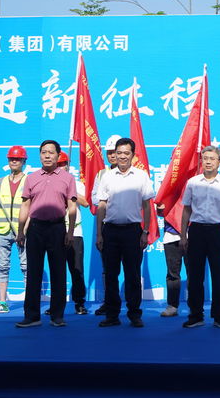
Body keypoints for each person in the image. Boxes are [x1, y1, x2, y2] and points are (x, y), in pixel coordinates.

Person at [15, 140, 78, 328]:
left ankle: (57, 316)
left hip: (57, 229)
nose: (47, 155)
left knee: (58, 272)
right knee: (33, 273)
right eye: (44, 152)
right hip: (35, 229)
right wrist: (21, 231)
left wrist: (70, 231)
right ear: (40, 155)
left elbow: (72, 206)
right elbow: (25, 205)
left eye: (51, 152)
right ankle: (32, 316)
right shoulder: (31, 178)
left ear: (58, 155)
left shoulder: (68, 178)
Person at [96, 137, 155, 328]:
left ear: (133, 155)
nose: (122, 156)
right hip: (110, 231)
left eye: (126, 153)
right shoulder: (107, 176)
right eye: (119, 153)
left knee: (132, 275)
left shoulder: (141, 176)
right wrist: (99, 234)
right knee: (110, 275)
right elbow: (101, 206)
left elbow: (147, 206)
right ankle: (112, 315)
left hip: (132, 232)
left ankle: (134, 314)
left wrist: (145, 231)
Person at [181, 146, 220, 329]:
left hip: (218, 232)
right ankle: (196, 315)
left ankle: (219, 316)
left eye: (212, 159)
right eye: (205, 158)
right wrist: (183, 236)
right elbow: (186, 210)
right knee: (195, 276)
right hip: (196, 231)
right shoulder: (192, 183)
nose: (207, 162)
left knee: (219, 276)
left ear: (219, 162)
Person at [0, 145, 28, 314]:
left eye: (17, 159)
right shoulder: (0, 182)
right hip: (3, 229)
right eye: (11, 159)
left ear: (24, 161)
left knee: (26, 266)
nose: (14, 161)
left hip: (22, 230)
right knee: (3, 266)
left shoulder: (29, 181)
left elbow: (31, 208)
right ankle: (2, 302)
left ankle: (30, 302)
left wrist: (23, 231)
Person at [55, 151, 90, 315]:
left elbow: (86, 203)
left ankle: (79, 302)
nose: (61, 167)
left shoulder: (76, 183)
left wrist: (71, 189)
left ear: (68, 165)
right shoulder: (50, 182)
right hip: (56, 231)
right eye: (58, 164)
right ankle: (56, 304)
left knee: (77, 269)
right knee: (57, 270)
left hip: (75, 232)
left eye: (63, 164)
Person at [91, 134, 121, 317]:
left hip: (127, 226)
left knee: (131, 270)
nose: (112, 156)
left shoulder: (134, 173)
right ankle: (108, 303)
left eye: (115, 152)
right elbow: (95, 198)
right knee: (108, 269)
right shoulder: (102, 174)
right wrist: (111, 200)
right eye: (109, 153)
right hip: (107, 225)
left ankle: (133, 307)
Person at [158, 204, 187, 318]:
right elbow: (160, 212)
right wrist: (160, 208)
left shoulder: (194, 191)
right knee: (172, 273)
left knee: (194, 274)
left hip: (192, 234)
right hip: (171, 235)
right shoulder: (168, 192)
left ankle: (196, 307)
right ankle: (172, 306)